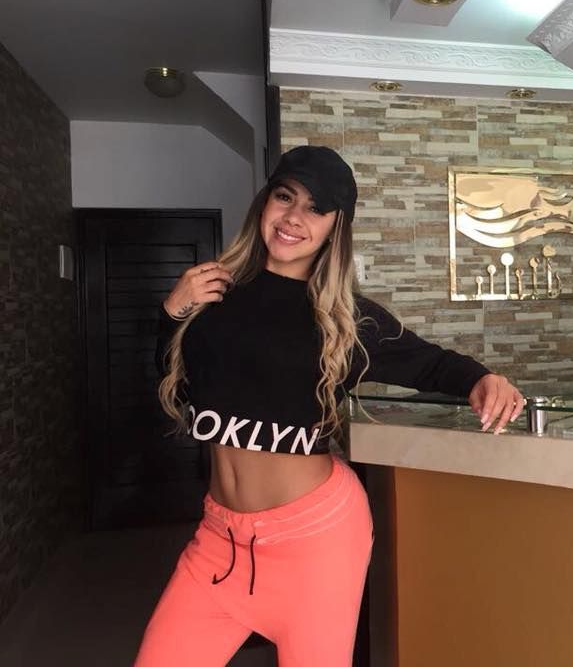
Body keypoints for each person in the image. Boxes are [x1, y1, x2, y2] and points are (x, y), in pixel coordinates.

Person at [134, 145, 525, 667]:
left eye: (316, 208)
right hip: (220, 538)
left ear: (336, 227)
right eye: (285, 197)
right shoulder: (212, 293)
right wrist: (171, 313)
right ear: (265, 202)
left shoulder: (343, 318)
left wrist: (484, 378)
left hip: (315, 541)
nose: (294, 217)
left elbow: (430, 364)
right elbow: (179, 387)